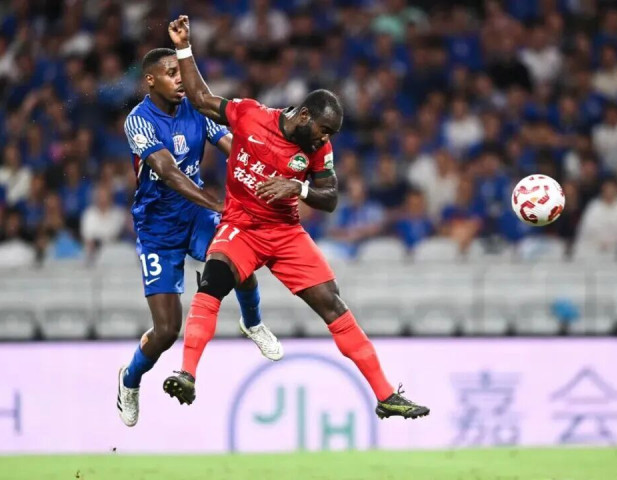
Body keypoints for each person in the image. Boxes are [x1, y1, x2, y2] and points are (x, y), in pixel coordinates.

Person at [162, 16, 429, 420]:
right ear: (304, 116)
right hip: (242, 227)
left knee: (332, 304)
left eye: (331, 134)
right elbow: (200, 99)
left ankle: (386, 395)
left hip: (285, 233)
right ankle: (186, 373)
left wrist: (298, 189)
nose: (326, 138)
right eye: (324, 129)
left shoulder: (318, 151)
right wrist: (184, 47)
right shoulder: (250, 115)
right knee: (213, 282)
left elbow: (330, 197)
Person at [117, 47, 283, 428]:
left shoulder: (196, 108)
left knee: (237, 259)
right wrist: (218, 203)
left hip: (195, 217)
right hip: (157, 229)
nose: (180, 79)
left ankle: (253, 322)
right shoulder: (138, 121)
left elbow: (232, 146)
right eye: (171, 73)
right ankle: (130, 379)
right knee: (166, 332)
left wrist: (263, 174)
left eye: (181, 72)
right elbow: (169, 173)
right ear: (150, 80)